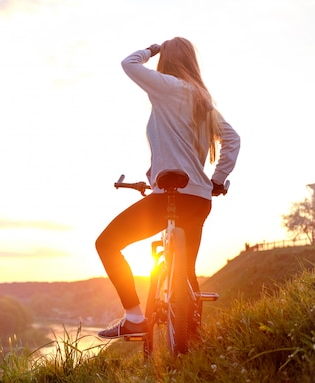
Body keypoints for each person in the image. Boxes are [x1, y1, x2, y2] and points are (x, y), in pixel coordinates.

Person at [96, 38, 240, 339]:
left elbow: (129, 64)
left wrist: (152, 49)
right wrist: (216, 180)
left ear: (167, 63)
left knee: (107, 245)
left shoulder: (168, 87)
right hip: (199, 200)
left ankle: (135, 318)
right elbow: (233, 139)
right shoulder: (203, 101)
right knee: (186, 271)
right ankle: (192, 339)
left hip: (170, 199)